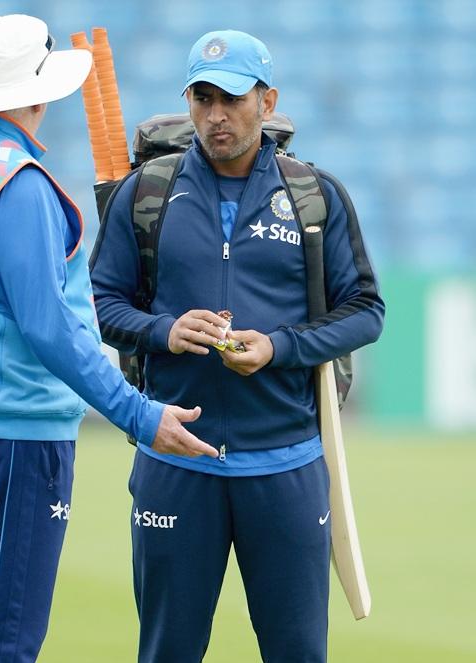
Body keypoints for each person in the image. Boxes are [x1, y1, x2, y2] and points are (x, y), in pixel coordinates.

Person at [0, 14, 218, 663]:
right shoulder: (19, 184)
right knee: (5, 640)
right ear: (37, 93)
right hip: (13, 435)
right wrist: (138, 412)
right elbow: (51, 328)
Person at [89, 29, 385, 663]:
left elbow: (365, 311)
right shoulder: (147, 193)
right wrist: (163, 330)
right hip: (175, 462)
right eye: (201, 98)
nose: (215, 116)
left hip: (286, 468)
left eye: (231, 98)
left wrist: (278, 348)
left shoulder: (315, 196)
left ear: (268, 100)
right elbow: (102, 303)